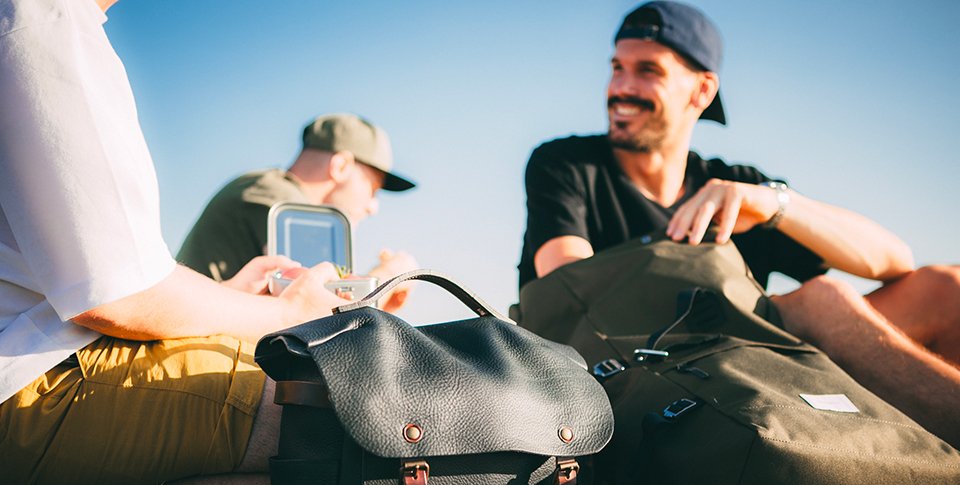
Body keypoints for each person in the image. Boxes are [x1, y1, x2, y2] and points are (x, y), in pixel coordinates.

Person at [0, 0, 374, 485]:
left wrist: (223, 297)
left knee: (329, 474)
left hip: (34, 366)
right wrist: (287, 313)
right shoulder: (42, 23)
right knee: (355, 425)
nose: (376, 202)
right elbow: (118, 296)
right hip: (30, 381)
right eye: (375, 183)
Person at [518, 1, 960, 449]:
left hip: (756, 366)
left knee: (946, 289)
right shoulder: (566, 165)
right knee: (820, 299)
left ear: (702, 90)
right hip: (632, 376)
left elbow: (894, 260)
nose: (621, 87)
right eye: (617, 67)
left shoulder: (735, 185)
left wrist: (774, 203)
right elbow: (573, 289)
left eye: (648, 70)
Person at [177, 113, 418, 313]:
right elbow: (319, 314)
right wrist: (386, 278)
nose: (372, 207)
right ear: (340, 167)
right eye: (372, 189)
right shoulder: (283, 201)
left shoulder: (265, 188)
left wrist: (380, 302)